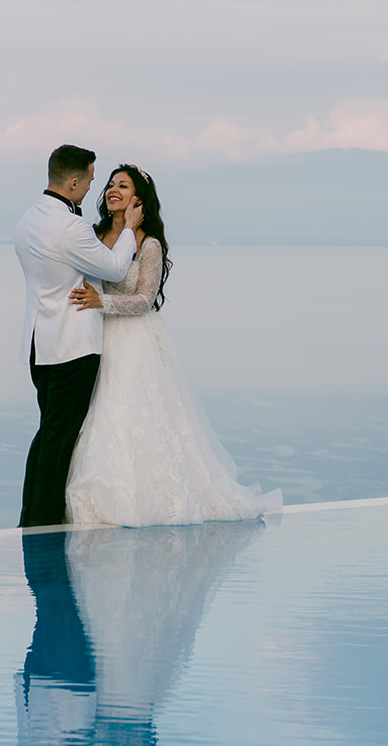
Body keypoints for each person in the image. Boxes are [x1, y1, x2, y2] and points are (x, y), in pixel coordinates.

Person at [64, 165, 280, 527]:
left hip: (135, 342)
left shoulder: (149, 244)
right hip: (97, 337)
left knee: (131, 414)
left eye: (123, 185)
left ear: (139, 199)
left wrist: (102, 302)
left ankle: (144, 496)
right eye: (110, 185)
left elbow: (146, 299)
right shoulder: (96, 235)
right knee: (96, 416)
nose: (113, 190)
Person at [15, 145, 145, 528]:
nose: (93, 187)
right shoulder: (69, 228)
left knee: (47, 433)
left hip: (39, 342)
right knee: (60, 438)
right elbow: (117, 269)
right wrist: (129, 230)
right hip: (72, 344)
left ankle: (31, 513)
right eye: (89, 179)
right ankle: (44, 519)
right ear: (72, 182)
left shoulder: (27, 220)